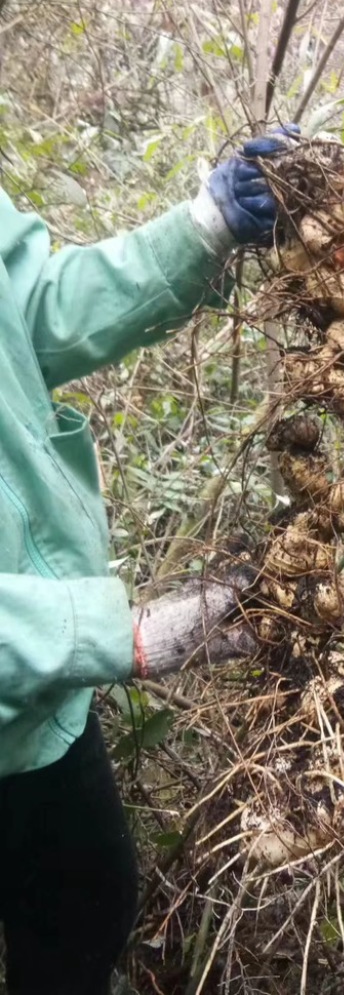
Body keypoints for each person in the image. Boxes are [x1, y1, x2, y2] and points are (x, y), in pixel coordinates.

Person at [0, 126, 298, 995]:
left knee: (89, 901)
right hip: (50, 654)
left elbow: (31, 309)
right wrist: (118, 636)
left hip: (36, 711)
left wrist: (203, 226)